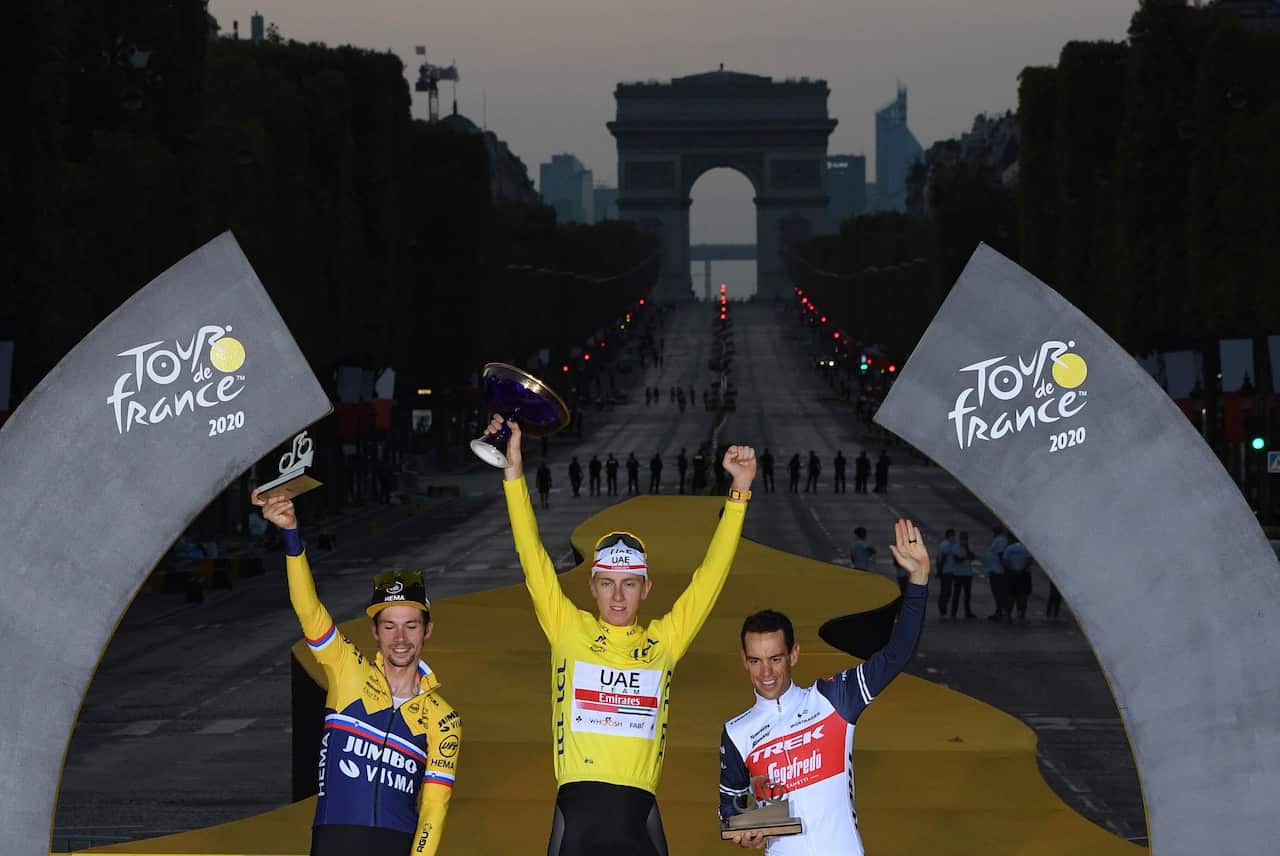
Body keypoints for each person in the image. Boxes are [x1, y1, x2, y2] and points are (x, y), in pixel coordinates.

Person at [487, 414, 755, 856]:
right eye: (607, 582)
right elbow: (531, 555)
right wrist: (513, 469)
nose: (617, 595)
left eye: (628, 583)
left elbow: (710, 578)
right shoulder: (568, 629)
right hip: (578, 816)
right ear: (591, 586)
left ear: (645, 589)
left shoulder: (664, 642)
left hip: (640, 815)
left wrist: (740, 493)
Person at [253, 490, 458, 856]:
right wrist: (291, 535)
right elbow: (309, 610)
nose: (400, 638)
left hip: (396, 844)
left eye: (411, 626)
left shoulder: (444, 719)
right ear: (375, 632)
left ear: (427, 631)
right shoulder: (348, 671)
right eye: (389, 626)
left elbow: (434, 809)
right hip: (335, 841)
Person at [719, 518, 929, 853]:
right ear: (743, 660)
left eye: (776, 658)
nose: (766, 672)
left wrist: (917, 581)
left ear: (794, 654)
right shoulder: (736, 732)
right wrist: (745, 834)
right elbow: (728, 809)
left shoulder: (834, 698)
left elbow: (896, 654)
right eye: (756, 660)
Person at [945, 530, 976, 619]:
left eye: (965, 538)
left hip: (968, 574)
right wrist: (966, 557)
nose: (964, 540)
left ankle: (968, 612)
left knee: (967, 594)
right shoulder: (955, 547)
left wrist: (967, 550)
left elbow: (973, 557)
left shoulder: (970, 546)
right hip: (958, 574)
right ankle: (953, 612)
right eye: (962, 538)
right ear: (960, 539)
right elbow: (956, 560)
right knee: (956, 594)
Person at [1002, 535, 1033, 620]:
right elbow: (1029, 560)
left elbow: (1005, 561)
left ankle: (1008, 614)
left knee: (1011, 595)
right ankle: (1021, 614)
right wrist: (1022, 569)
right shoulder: (1026, 548)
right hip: (1024, 574)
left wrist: (1012, 569)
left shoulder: (1009, 548)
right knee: (1023, 595)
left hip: (1012, 574)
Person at [984, 527, 1011, 621]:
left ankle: (1001, 611)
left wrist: (1006, 568)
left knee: (999, 592)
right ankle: (1000, 611)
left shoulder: (1000, 540)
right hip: (996, 570)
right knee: (998, 592)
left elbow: (1001, 555)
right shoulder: (999, 540)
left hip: (998, 571)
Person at [936, 528, 955, 619]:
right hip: (947, 572)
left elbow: (938, 559)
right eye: (952, 535)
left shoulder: (947, 544)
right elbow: (942, 558)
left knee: (947, 591)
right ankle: (943, 610)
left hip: (949, 571)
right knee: (946, 592)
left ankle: (943, 609)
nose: (953, 537)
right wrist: (940, 571)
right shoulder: (946, 545)